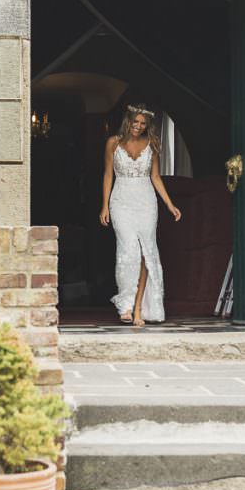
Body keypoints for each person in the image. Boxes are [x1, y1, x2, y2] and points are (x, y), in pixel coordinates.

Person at [100, 104, 181, 327]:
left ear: (147, 126)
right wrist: (104, 206)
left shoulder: (151, 145)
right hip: (121, 202)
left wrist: (170, 204)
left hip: (146, 201)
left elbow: (155, 176)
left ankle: (138, 309)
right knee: (128, 251)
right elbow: (108, 174)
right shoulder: (113, 143)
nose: (138, 127)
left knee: (146, 253)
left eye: (142, 124)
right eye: (135, 122)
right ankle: (124, 305)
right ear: (128, 121)